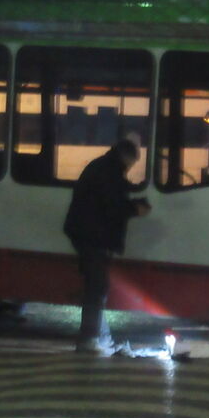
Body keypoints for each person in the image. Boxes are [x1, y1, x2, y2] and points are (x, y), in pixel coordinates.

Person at [63, 139, 151, 355]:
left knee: (97, 287)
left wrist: (132, 203)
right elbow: (112, 206)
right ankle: (89, 339)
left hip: (88, 234)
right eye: (132, 163)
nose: (131, 168)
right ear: (126, 157)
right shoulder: (109, 172)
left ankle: (98, 337)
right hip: (92, 236)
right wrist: (135, 209)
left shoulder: (104, 167)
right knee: (96, 287)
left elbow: (110, 200)